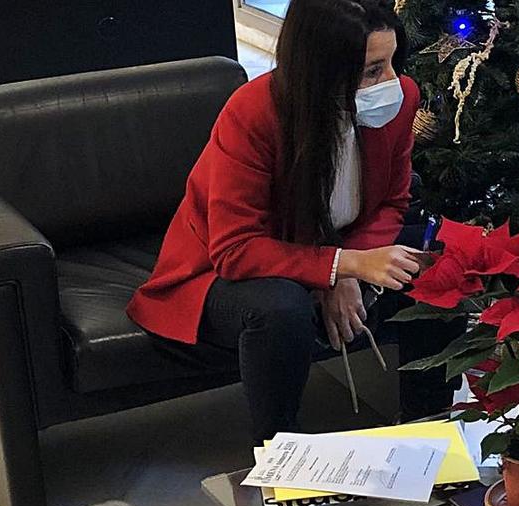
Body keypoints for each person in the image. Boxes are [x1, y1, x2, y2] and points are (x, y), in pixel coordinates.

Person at [128, 0, 453, 444]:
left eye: (393, 61)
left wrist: (347, 269)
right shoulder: (252, 114)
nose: (393, 83)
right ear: (321, 70)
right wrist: (344, 266)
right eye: (372, 70)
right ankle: (281, 454)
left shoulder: (400, 100)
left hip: (332, 245)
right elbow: (235, 249)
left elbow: (392, 203)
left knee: (439, 266)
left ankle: (429, 426)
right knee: (280, 307)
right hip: (218, 271)